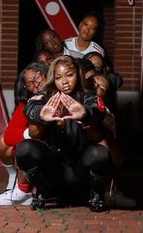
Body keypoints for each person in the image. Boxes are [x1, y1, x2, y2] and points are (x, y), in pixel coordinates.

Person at [15, 55, 117, 212]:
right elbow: (30, 108)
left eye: (69, 75)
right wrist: (41, 114)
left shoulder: (88, 96)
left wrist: (85, 114)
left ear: (78, 74)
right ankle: (43, 191)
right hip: (56, 171)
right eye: (58, 77)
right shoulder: (47, 96)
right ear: (53, 79)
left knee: (101, 153)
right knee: (24, 148)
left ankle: (96, 195)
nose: (64, 81)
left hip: (81, 170)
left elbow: (98, 110)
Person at [0, 62, 48, 206]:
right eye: (29, 83)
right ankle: (20, 186)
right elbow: (9, 136)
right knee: (14, 145)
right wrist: (32, 133)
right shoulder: (29, 102)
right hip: (41, 151)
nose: (36, 84)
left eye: (37, 76)